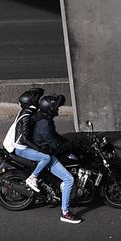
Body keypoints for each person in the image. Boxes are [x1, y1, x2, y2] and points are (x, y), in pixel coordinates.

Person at [30, 93, 82, 224]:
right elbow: (55, 144)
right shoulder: (45, 124)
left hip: (46, 149)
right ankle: (65, 212)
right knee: (69, 179)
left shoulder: (45, 119)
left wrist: (67, 141)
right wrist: (70, 145)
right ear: (50, 109)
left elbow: (54, 137)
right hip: (46, 153)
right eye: (56, 108)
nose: (57, 110)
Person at [7, 87, 55, 192]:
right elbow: (24, 138)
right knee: (46, 157)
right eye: (36, 101)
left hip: (20, 146)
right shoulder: (27, 116)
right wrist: (38, 149)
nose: (38, 103)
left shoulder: (25, 112)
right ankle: (32, 178)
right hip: (21, 148)